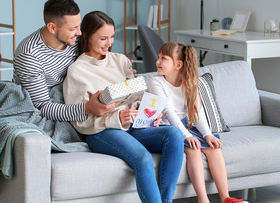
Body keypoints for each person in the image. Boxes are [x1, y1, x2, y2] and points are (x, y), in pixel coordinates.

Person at [63, 11, 184, 203]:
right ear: (86, 35)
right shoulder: (77, 70)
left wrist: (150, 114)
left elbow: (136, 97)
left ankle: (165, 201)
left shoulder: (120, 60)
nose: (109, 43)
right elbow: (80, 121)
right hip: (102, 132)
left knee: (174, 134)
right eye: (103, 38)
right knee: (142, 158)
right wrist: (116, 118)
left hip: (134, 126)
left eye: (111, 37)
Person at [147, 42, 248, 203]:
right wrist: (187, 136)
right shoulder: (155, 81)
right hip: (168, 126)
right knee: (194, 149)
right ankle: (203, 199)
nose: (157, 62)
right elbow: (168, 112)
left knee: (214, 148)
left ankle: (226, 198)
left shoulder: (189, 81)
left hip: (186, 123)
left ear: (178, 65)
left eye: (163, 58)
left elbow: (197, 111)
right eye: (159, 57)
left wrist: (207, 134)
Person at [13, 0, 116, 122]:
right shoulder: (29, 55)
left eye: (79, 26)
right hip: (53, 102)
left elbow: (94, 59)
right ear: (52, 27)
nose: (79, 33)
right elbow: (42, 107)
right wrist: (88, 108)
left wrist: (117, 69)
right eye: (73, 29)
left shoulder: (75, 39)